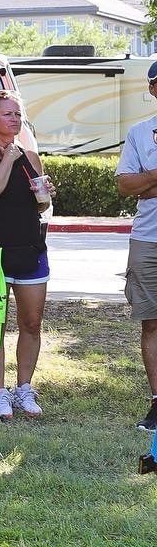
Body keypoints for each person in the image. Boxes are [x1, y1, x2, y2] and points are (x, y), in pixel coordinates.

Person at [0, 90, 51, 420]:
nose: (15, 119)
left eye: (18, 114)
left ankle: (25, 388)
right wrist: (8, 159)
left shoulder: (31, 157)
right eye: (7, 114)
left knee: (32, 323)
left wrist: (45, 195)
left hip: (29, 250)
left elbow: (40, 205)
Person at [118, 59, 157, 432]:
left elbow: (138, 185)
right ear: (152, 89)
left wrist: (147, 184)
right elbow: (125, 186)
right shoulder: (140, 133)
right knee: (151, 322)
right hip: (147, 238)